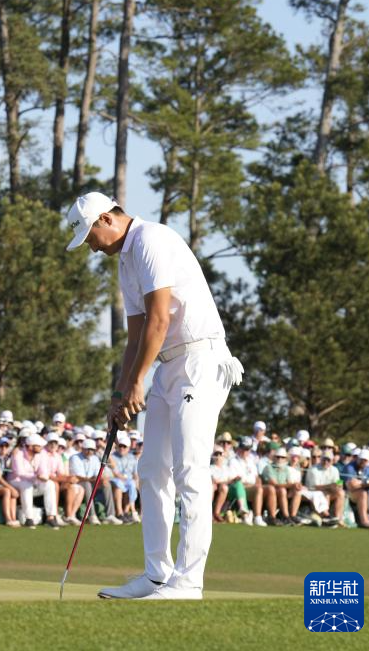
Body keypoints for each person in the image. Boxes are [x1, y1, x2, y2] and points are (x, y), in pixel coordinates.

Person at [66, 192, 244, 600]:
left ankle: (189, 582)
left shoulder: (151, 239)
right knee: (151, 469)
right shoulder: (125, 260)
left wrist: (137, 382)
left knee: (189, 469)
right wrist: (120, 391)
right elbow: (135, 337)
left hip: (200, 360)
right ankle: (157, 574)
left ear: (106, 219)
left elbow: (159, 320)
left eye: (90, 237)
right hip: (167, 365)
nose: (92, 248)